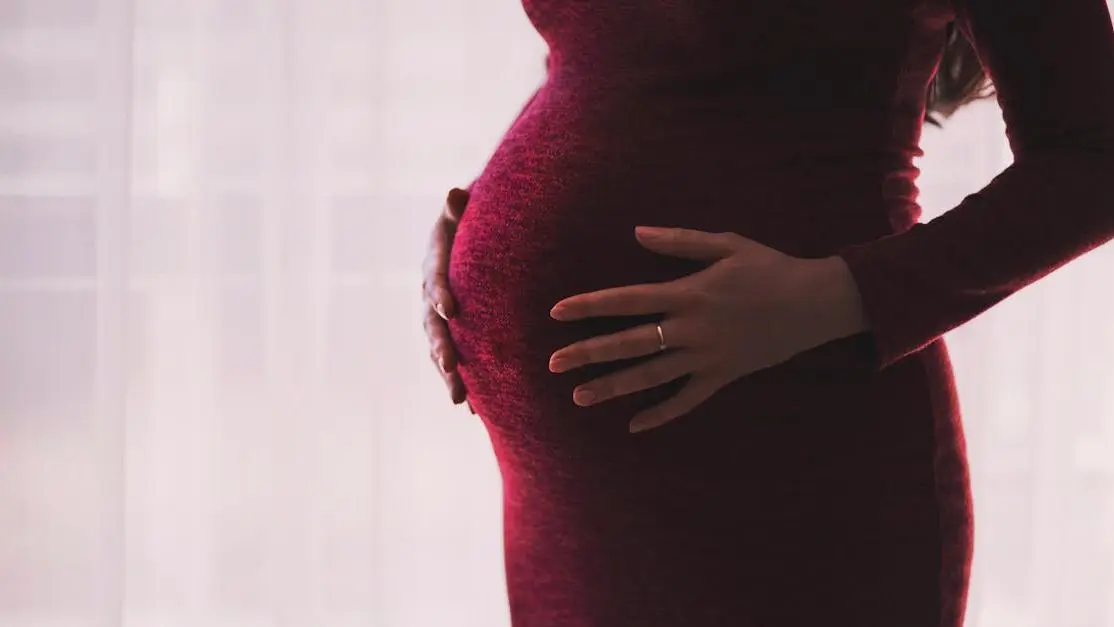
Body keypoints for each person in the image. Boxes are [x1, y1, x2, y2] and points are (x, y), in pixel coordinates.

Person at [421, 1, 1114, 625]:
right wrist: (479, 213)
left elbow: (1094, 160)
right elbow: (603, 63)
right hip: (568, 510)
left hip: (787, 471)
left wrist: (832, 295)